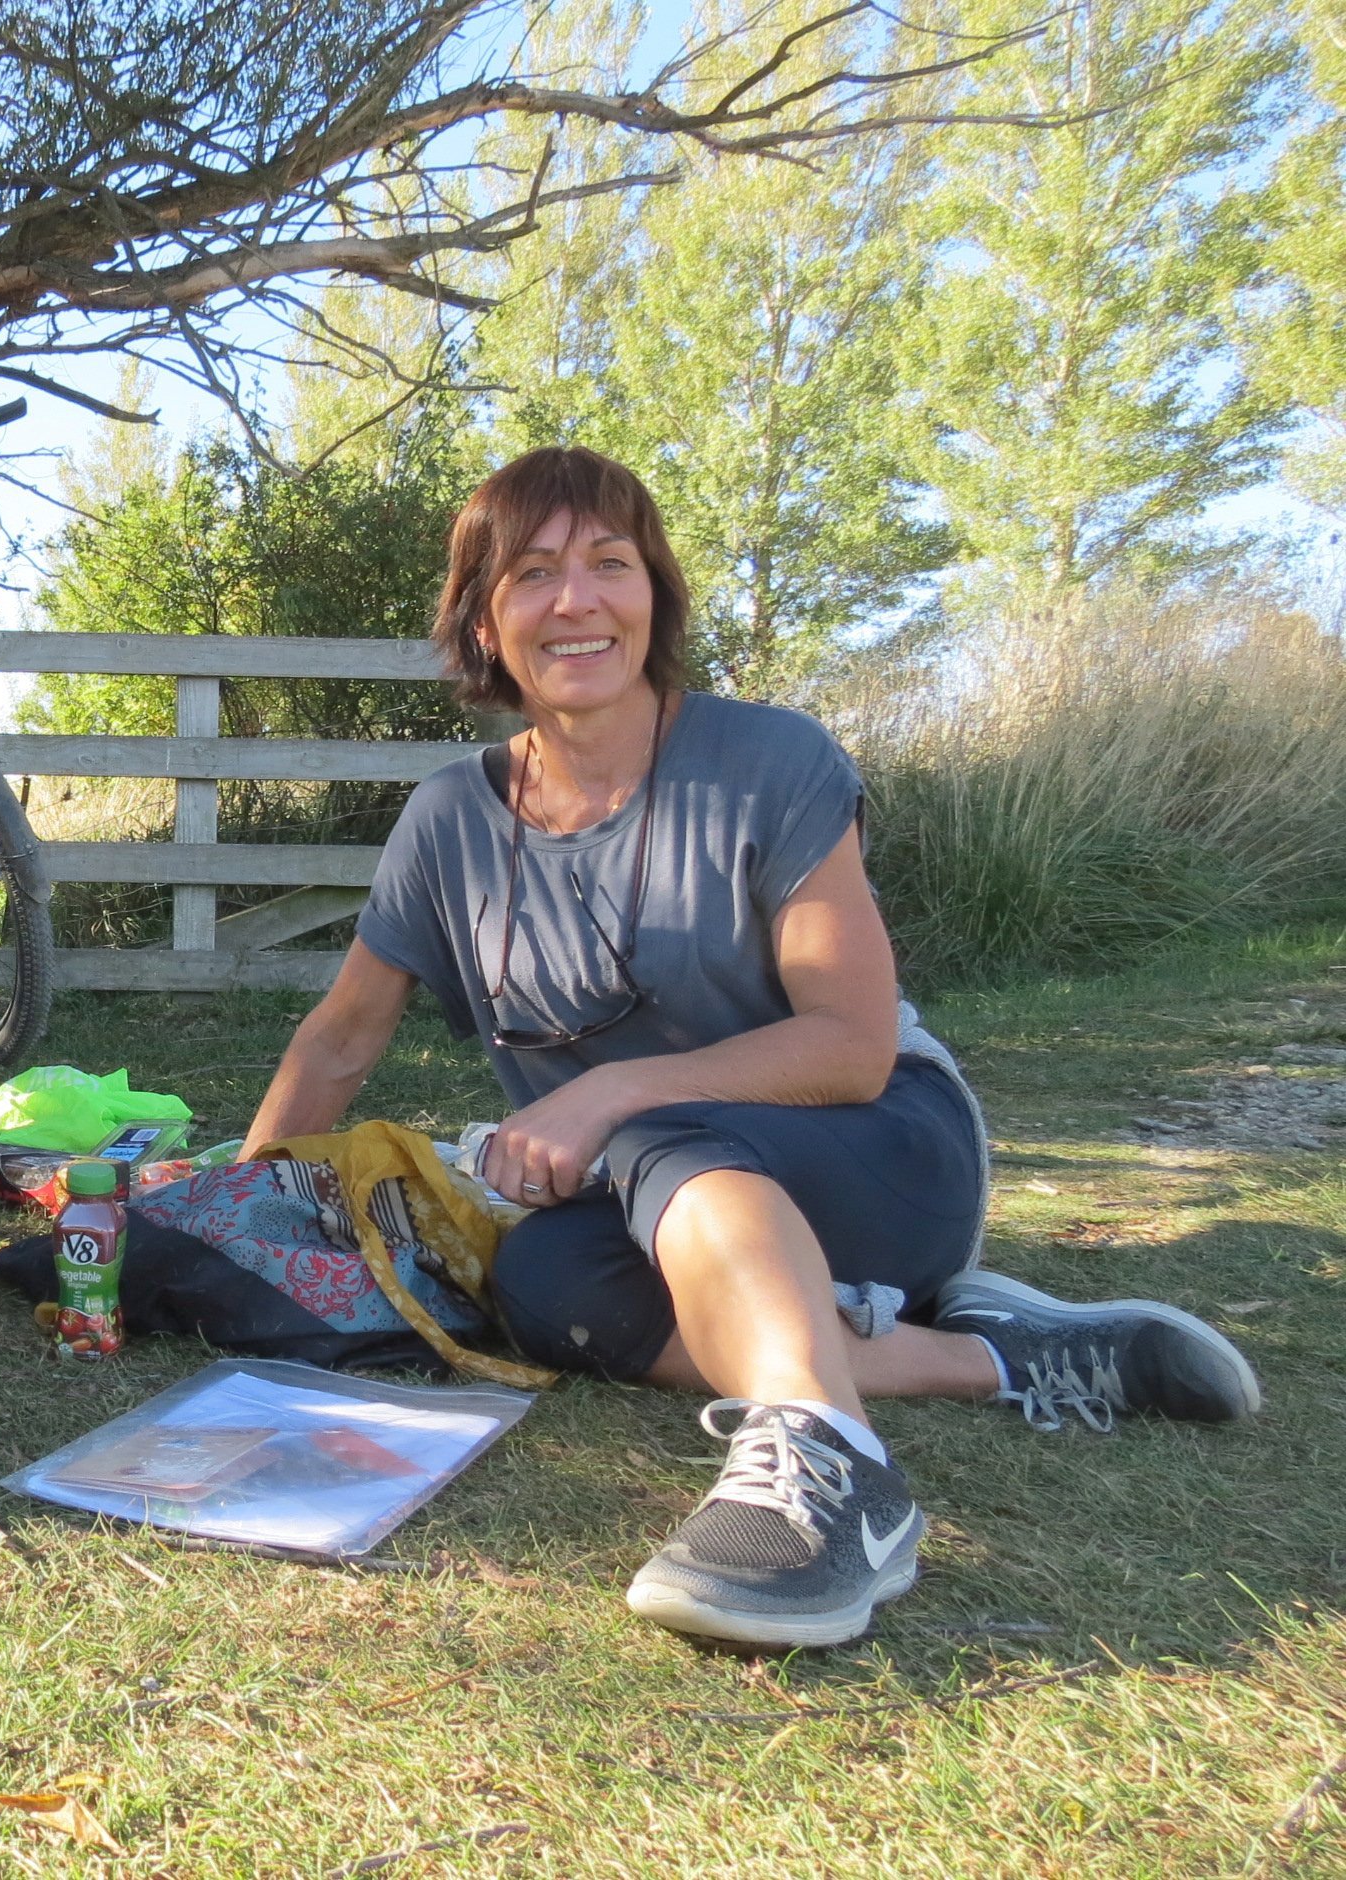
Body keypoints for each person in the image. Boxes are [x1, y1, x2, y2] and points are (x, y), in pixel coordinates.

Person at [240, 446, 1260, 1649]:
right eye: (530, 574)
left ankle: (833, 1477)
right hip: (657, 1202)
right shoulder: (446, 819)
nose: (575, 600)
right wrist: (232, 1198)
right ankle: (1000, 1357)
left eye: (608, 564)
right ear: (481, 620)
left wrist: (615, 1088)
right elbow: (343, 1033)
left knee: (652, 1124)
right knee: (540, 1288)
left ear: (654, 596)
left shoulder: (770, 764)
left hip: (882, 1151)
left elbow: (852, 1043)